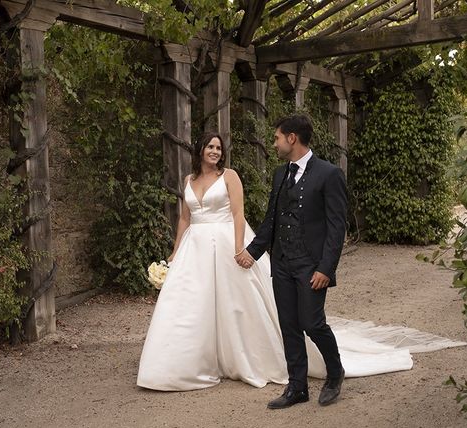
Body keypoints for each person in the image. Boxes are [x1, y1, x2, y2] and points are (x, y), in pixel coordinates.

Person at [136, 129, 413, 394]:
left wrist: (239, 248)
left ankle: (260, 359)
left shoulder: (229, 176)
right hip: (194, 248)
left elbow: (237, 214)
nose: (215, 152)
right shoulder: (188, 180)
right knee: (192, 303)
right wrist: (174, 253)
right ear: (200, 149)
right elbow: (185, 218)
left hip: (224, 242)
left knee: (242, 306)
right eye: (210, 147)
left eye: (219, 148)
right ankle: (189, 361)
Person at [237, 114, 345, 408]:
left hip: (311, 265)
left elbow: (337, 227)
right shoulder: (279, 174)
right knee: (289, 325)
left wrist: (326, 267)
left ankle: (335, 373)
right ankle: (297, 387)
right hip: (282, 262)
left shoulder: (329, 174)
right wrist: (253, 251)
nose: (275, 143)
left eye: (277, 138)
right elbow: (272, 218)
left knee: (313, 322)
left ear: (292, 138)